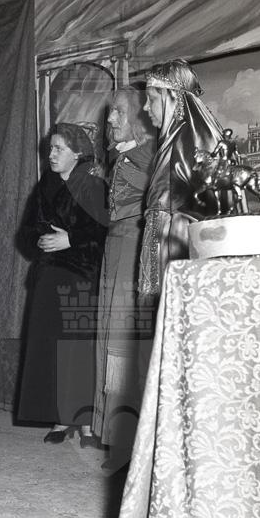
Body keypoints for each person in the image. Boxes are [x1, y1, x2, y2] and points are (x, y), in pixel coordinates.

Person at [17, 122, 108, 446]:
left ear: (77, 153)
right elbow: (26, 231)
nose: (51, 154)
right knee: (52, 348)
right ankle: (60, 418)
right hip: (48, 274)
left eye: (59, 149)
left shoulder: (94, 186)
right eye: (50, 148)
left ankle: (85, 423)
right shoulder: (46, 186)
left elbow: (104, 230)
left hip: (81, 273)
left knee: (79, 349)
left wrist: (71, 239)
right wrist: (40, 239)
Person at [92, 86, 156, 470]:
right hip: (113, 249)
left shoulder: (149, 155)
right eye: (110, 112)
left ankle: (130, 441)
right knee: (107, 339)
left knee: (123, 342)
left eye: (118, 111)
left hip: (134, 246)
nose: (111, 119)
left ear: (136, 116)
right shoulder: (121, 156)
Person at [139, 58, 223, 299]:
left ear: (174, 98)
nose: (145, 107)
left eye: (152, 99)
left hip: (180, 253)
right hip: (164, 248)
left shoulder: (189, 144)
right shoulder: (174, 142)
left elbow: (201, 211)